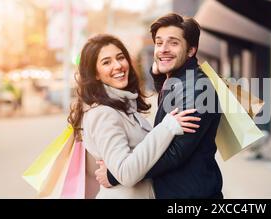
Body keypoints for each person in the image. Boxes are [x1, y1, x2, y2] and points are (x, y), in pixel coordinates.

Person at [96, 13, 224, 198]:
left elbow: (175, 153)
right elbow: (170, 103)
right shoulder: (179, 80)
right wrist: (158, 76)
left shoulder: (197, 90)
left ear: (191, 50)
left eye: (173, 43)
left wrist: (116, 175)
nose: (163, 49)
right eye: (159, 42)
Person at [67, 34, 201, 198]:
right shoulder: (103, 113)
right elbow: (125, 172)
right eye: (106, 62)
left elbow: (141, 158)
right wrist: (167, 128)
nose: (118, 66)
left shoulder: (122, 107)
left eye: (120, 57)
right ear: (95, 74)